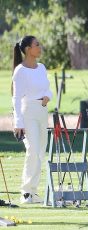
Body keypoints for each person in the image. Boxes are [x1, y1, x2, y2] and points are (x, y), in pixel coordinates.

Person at [12, 35, 53, 204]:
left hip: (42, 112)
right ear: (28, 49)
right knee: (33, 151)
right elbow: (15, 99)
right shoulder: (20, 71)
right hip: (27, 111)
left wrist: (47, 96)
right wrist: (18, 124)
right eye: (37, 45)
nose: (40, 47)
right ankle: (26, 193)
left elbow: (48, 89)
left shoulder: (42, 67)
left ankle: (33, 192)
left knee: (40, 152)